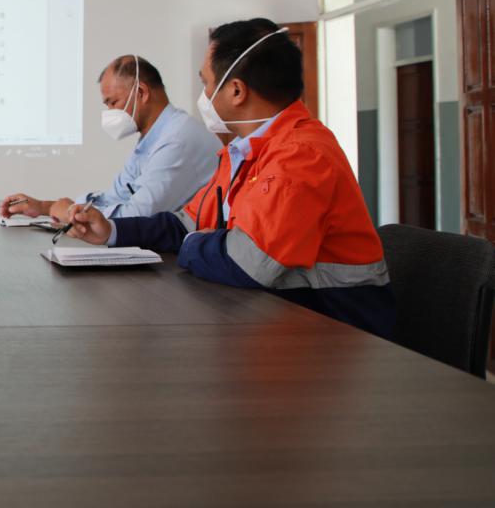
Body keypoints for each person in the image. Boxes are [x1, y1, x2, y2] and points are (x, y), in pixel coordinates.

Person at [64, 19, 394, 338]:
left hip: (338, 333)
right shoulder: (241, 151)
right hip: (278, 319)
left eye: (206, 83)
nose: (204, 95)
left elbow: (248, 263)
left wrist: (192, 244)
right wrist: (111, 231)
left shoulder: (301, 155)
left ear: (236, 91)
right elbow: (186, 223)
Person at [0, 54, 221, 222]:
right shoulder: (153, 137)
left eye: (113, 102)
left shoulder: (177, 141)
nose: (109, 113)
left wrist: (69, 213)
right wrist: (45, 207)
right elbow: (115, 197)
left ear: (141, 93)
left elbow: (135, 217)